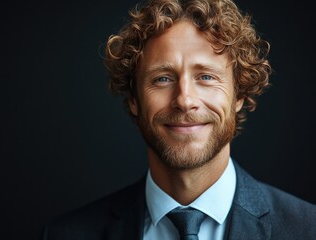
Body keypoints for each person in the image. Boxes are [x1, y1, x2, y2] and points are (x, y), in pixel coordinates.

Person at [41, 0, 316, 239]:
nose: (184, 100)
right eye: (162, 78)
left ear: (239, 95)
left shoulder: (308, 229)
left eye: (206, 77)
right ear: (134, 99)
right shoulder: (66, 234)